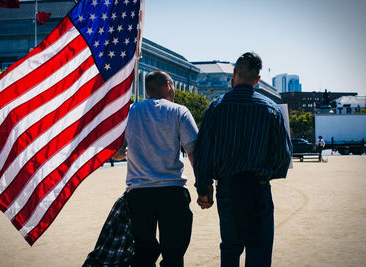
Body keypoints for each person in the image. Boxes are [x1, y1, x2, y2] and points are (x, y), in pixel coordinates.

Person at [194, 52, 292, 267]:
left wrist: (204, 187)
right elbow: (283, 155)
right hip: (259, 186)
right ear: (257, 79)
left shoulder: (216, 108)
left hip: (228, 187)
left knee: (230, 246)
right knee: (260, 247)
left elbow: (203, 152)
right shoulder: (271, 109)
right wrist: (266, 173)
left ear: (234, 74)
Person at [113, 70, 198, 267]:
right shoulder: (179, 111)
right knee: (174, 256)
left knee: (143, 252)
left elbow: (117, 153)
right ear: (168, 85)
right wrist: (204, 187)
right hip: (172, 191)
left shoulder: (130, 112)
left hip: (139, 193)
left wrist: (129, 151)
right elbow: (194, 151)